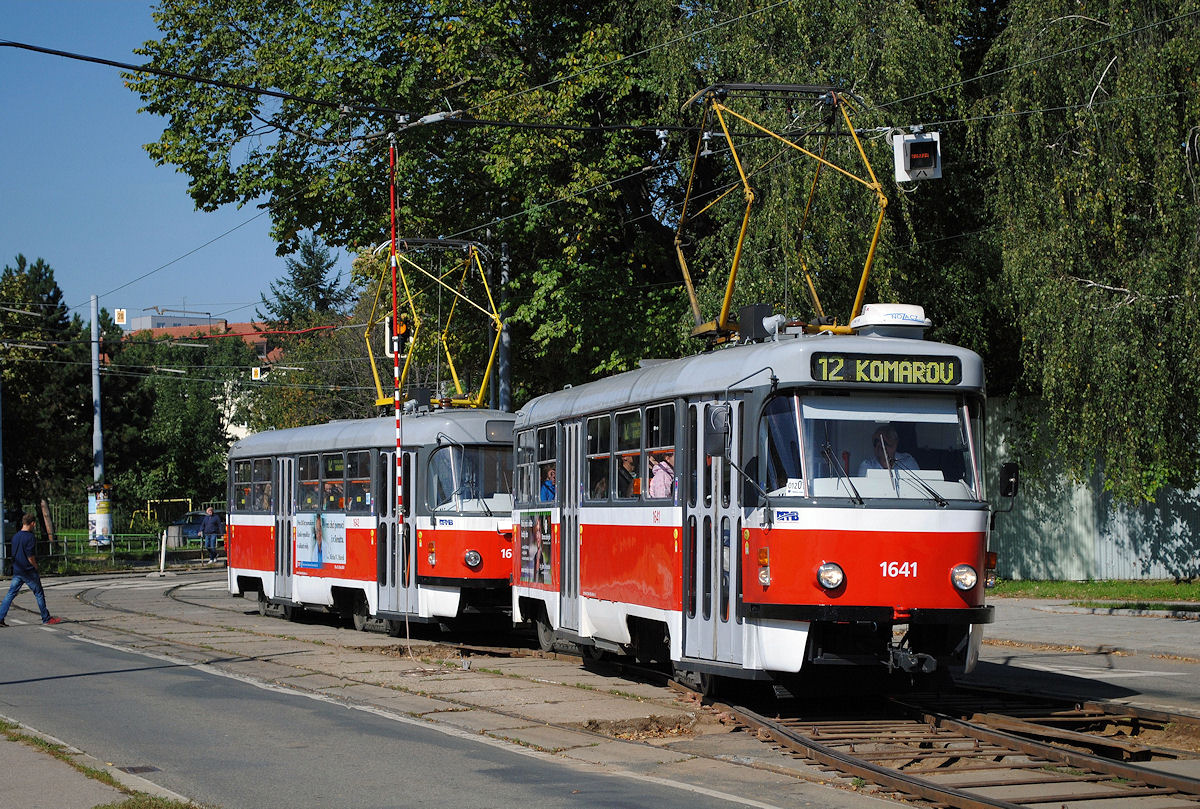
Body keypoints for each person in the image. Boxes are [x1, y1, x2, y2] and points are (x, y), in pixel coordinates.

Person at [0, 513, 61, 626]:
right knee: (38, 593)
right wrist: (35, 566)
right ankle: (46, 618)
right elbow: (30, 556)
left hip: (18, 570)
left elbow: (13, 553)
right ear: (32, 523)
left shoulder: (16, 536)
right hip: (29, 571)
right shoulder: (30, 537)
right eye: (34, 524)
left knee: (10, 594)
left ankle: (0, 617)